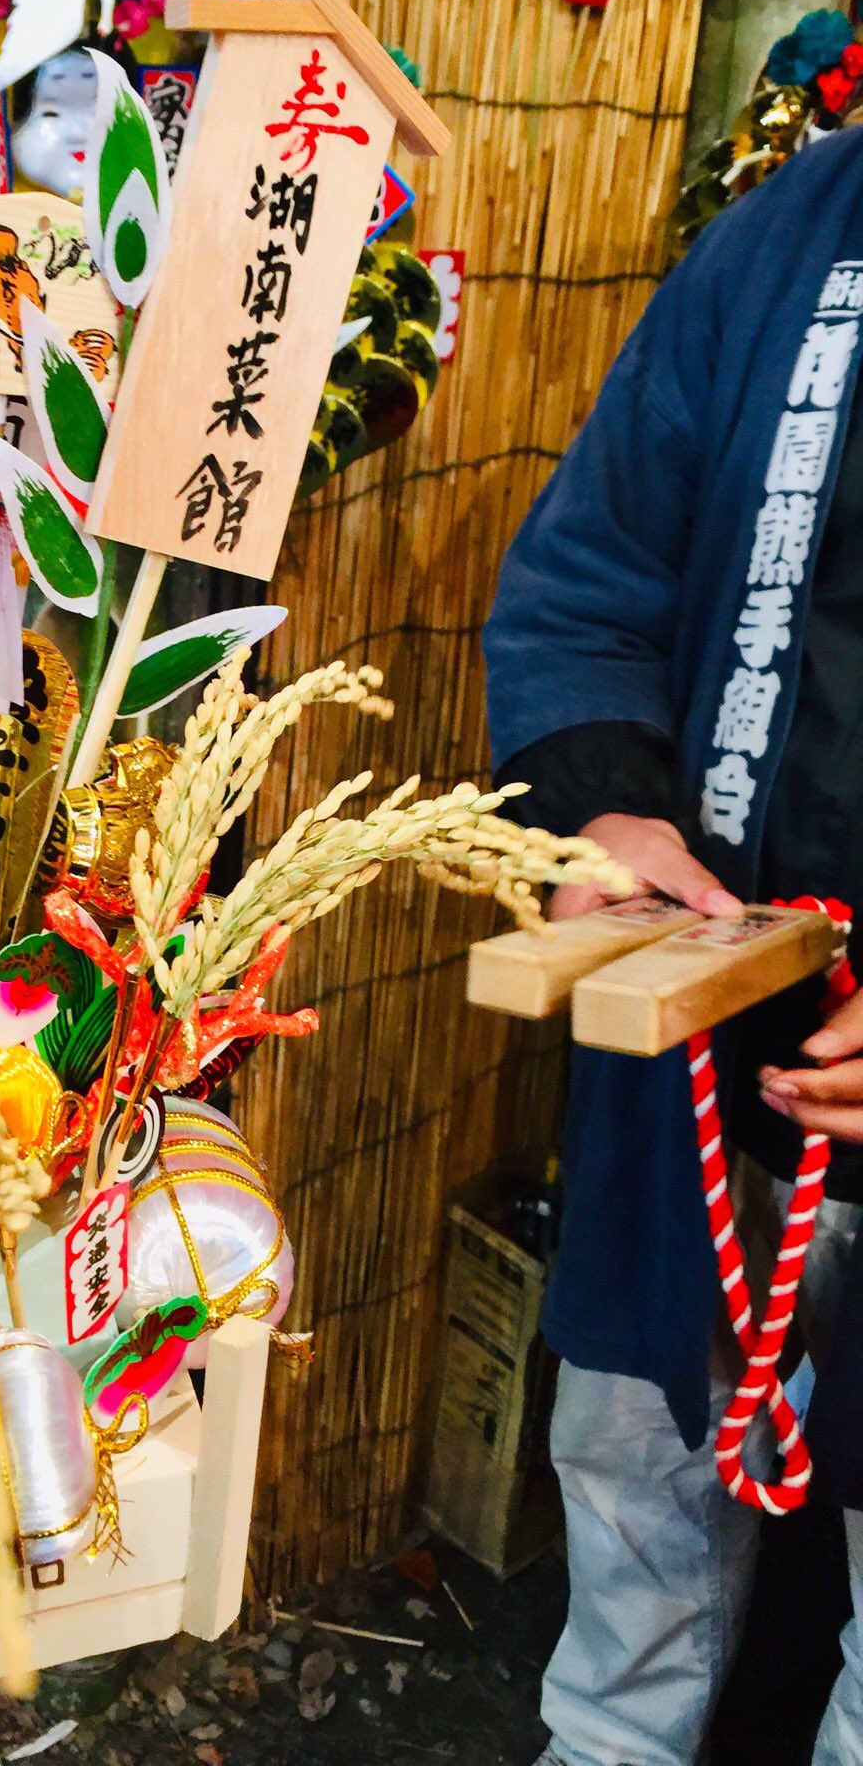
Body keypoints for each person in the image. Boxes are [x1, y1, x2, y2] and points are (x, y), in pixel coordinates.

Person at [483, 122, 863, 1766]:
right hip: (710, 1036)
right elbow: (589, 580)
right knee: (633, 1522)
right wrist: (613, 811)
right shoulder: (798, 231)